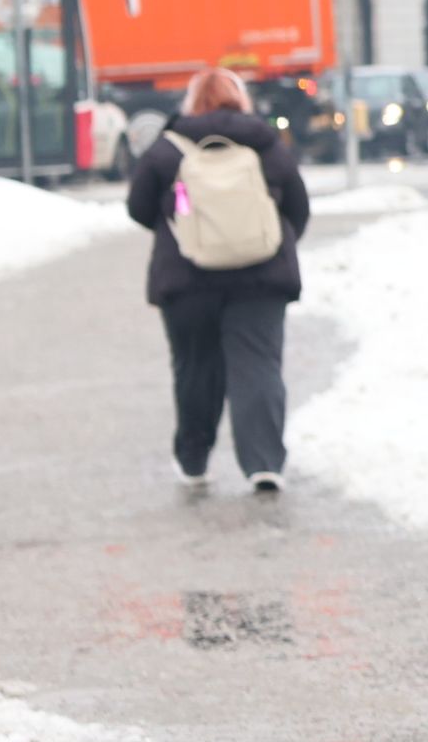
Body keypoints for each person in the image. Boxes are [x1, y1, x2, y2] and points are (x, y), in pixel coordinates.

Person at [125, 65, 313, 494]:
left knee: (195, 368)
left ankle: (193, 460)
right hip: (260, 278)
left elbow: (138, 208)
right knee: (258, 366)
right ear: (241, 99)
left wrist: (184, 230)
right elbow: (298, 207)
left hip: (186, 280)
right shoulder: (265, 143)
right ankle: (264, 463)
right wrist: (269, 243)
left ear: (191, 102)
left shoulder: (167, 148)